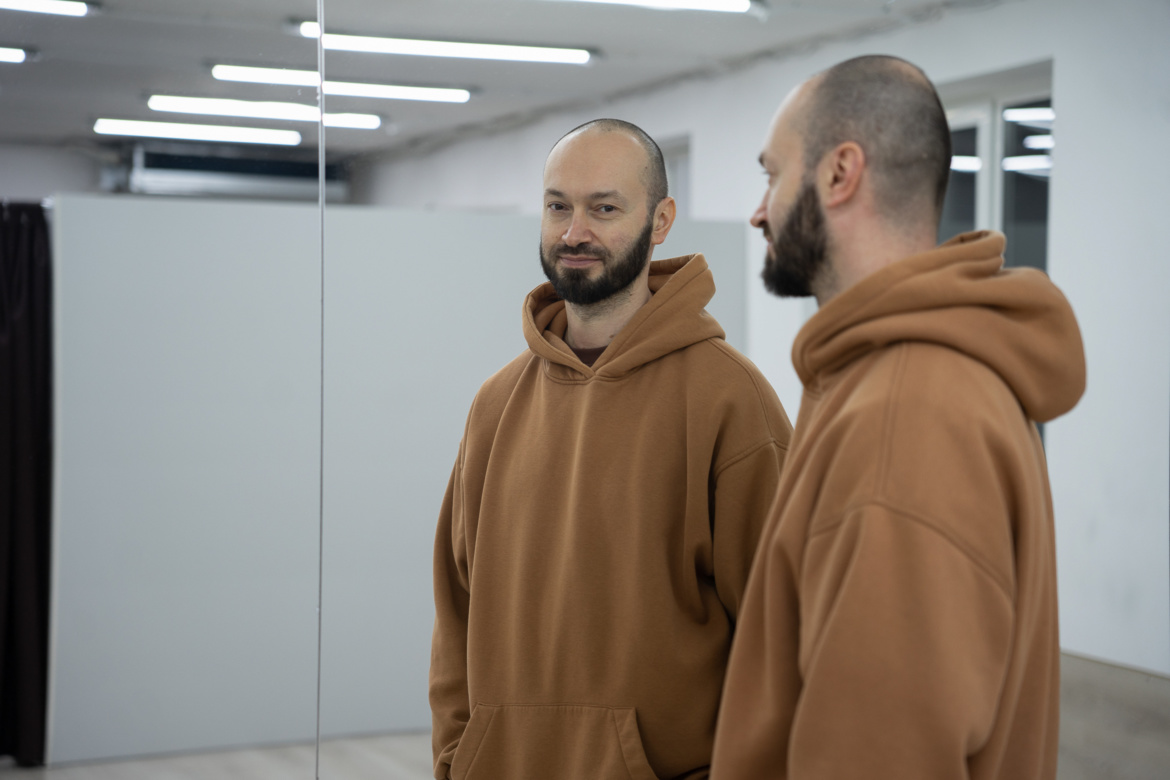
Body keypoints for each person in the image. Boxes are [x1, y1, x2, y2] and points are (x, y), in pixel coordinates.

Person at [710, 56, 1085, 779]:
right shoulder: (897, 377)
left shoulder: (905, 417)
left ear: (839, 174)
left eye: (772, 174)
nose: (759, 210)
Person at [429, 118, 793, 780]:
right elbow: (456, 613)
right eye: (557, 206)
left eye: (603, 208)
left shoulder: (732, 402)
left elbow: (781, 640)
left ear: (660, 222)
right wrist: (456, 759)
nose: (574, 233)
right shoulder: (494, 404)